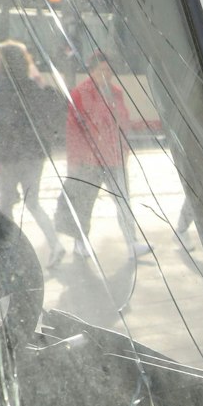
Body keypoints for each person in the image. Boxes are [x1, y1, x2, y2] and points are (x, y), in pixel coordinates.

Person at [61, 49, 150, 263]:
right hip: (90, 160)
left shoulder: (115, 92)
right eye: (102, 70)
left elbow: (123, 123)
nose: (106, 74)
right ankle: (80, 241)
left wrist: (125, 149)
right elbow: (73, 130)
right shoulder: (80, 93)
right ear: (92, 71)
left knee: (123, 201)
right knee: (86, 202)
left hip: (114, 157)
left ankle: (132, 243)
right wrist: (74, 161)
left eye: (109, 70)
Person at [0, 41, 66, 268]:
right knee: (33, 203)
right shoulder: (32, 85)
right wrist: (44, 86)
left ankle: (7, 251)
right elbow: (55, 110)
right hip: (34, 154)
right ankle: (55, 244)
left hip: (10, 156)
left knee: (6, 205)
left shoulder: (0, 86)